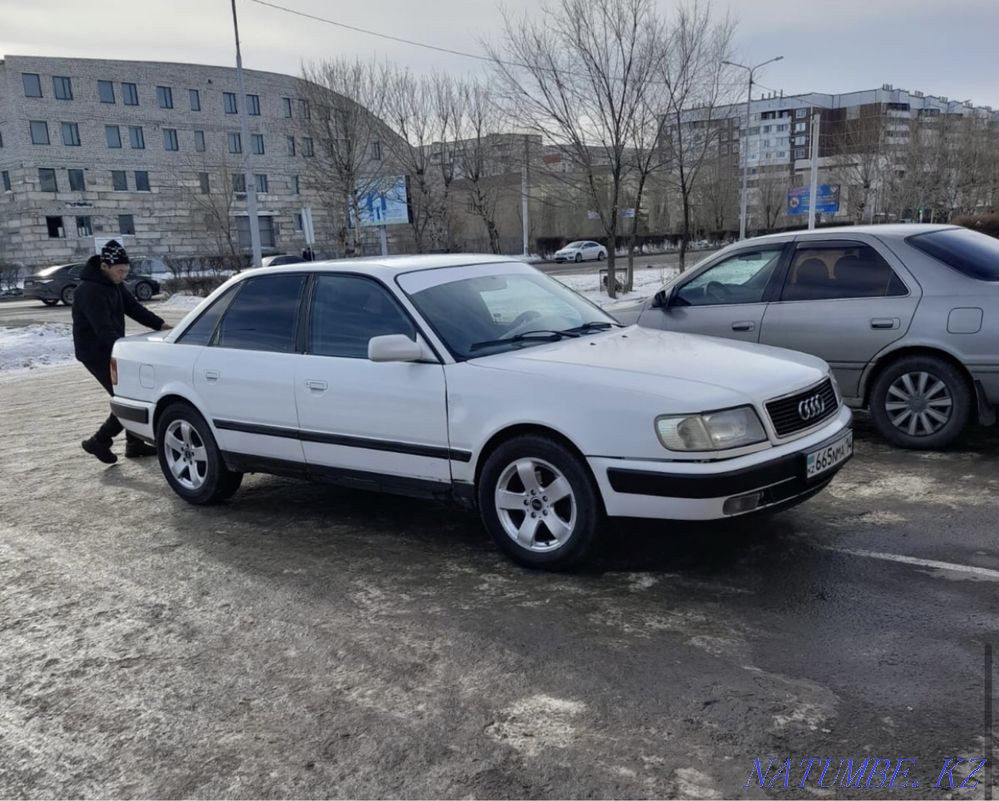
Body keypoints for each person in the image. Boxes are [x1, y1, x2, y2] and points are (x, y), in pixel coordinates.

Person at [73, 241, 171, 464]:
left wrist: (161, 325)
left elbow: (134, 309)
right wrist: (125, 351)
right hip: (95, 352)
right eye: (119, 271)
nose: (123, 275)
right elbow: (102, 328)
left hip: (112, 347)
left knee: (131, 393)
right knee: (127, 397)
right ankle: (99, 441)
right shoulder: (88, 291)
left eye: (126, 271)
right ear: (105, 266)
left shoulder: (114, 284)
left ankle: (134, 443)